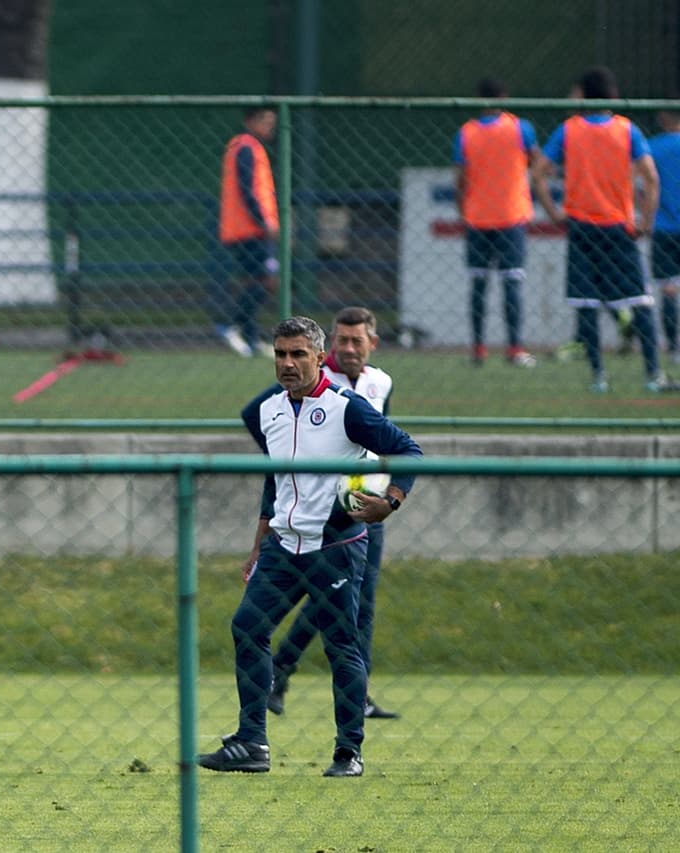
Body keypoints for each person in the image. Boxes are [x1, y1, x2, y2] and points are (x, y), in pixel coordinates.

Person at [197, 316, 422, 779]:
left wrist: (391, 501)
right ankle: (251, 742)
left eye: (298, 354)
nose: (287, 363)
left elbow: (407, 449)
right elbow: (275, 477)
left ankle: (348, 752)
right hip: (283, 548)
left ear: (321, 359)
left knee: (342, 646)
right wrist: (260, 539)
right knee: (246, 627)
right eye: (280, 354)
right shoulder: (270, 410)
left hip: (335, 545)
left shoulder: (347, 408)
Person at [265, 307, 399, 720]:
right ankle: (283, 668)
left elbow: (386, 441)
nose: (349, 348)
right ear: (329, 348)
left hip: (365, 503)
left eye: (357, 340)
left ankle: (351, 690)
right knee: (332, 598)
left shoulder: (380, 382)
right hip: (320, 511)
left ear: (372, 344)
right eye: (342, 340)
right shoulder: (314, 380)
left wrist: (383, 492)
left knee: (361, 600)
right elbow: (264, 420)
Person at [531, 66, 669, 393]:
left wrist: (554, 212)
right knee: (640, 300)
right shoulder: (627, 130)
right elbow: (650, 178)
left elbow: (538, 173)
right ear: (613, 95)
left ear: (582, 95)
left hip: (581, 227)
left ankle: (599, 377)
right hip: (619, 227)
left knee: (586, 303)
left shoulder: (569, 130)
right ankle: (652, 374)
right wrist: (645, 220)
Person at [453, 77, 540, 368]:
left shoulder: (466, 133)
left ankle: (478, 349)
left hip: (477, 216)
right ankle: (515, 348)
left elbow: (460, 178)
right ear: (504, 97)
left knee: (478, 284)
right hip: (511, 215)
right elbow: (537, 163)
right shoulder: (520, 128)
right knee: (512, 282)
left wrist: (462, 209)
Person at [212, 107, 279, 359]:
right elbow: (248, 187)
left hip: (244, 227)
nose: (269, 126)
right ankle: (232, 325)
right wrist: (264, 221)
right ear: (249, 121)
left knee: (255, 280)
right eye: (264, 120)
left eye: (272, 121)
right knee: (266, 280)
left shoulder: (245, 146)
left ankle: (250, 337)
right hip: (249, 228)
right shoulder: (246, 147)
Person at [650, 109, 680, 364]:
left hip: (664, 228)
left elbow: (640, 183)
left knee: (669, 290)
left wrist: (646, 209)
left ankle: (673, 349)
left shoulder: (653, 147)